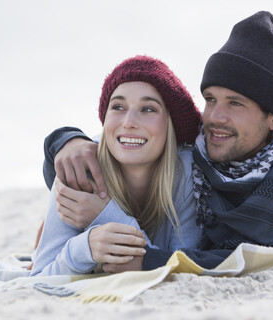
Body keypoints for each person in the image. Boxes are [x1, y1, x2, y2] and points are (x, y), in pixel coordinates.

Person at [42, 11, 273, 272]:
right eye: (210, 99)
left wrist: (151, 261)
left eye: (235, 103)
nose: (215, 117)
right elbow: (129, 140)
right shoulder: (202, 143)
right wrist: (67, 141)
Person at [30, 56, 203, 276]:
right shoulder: (78, 168)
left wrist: (106, 214)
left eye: (148, 109)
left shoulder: (186, 172)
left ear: (170, 124)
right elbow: (38, 278)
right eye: (118, 107)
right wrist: (85, 247)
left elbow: (183, 265)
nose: (129, 121)